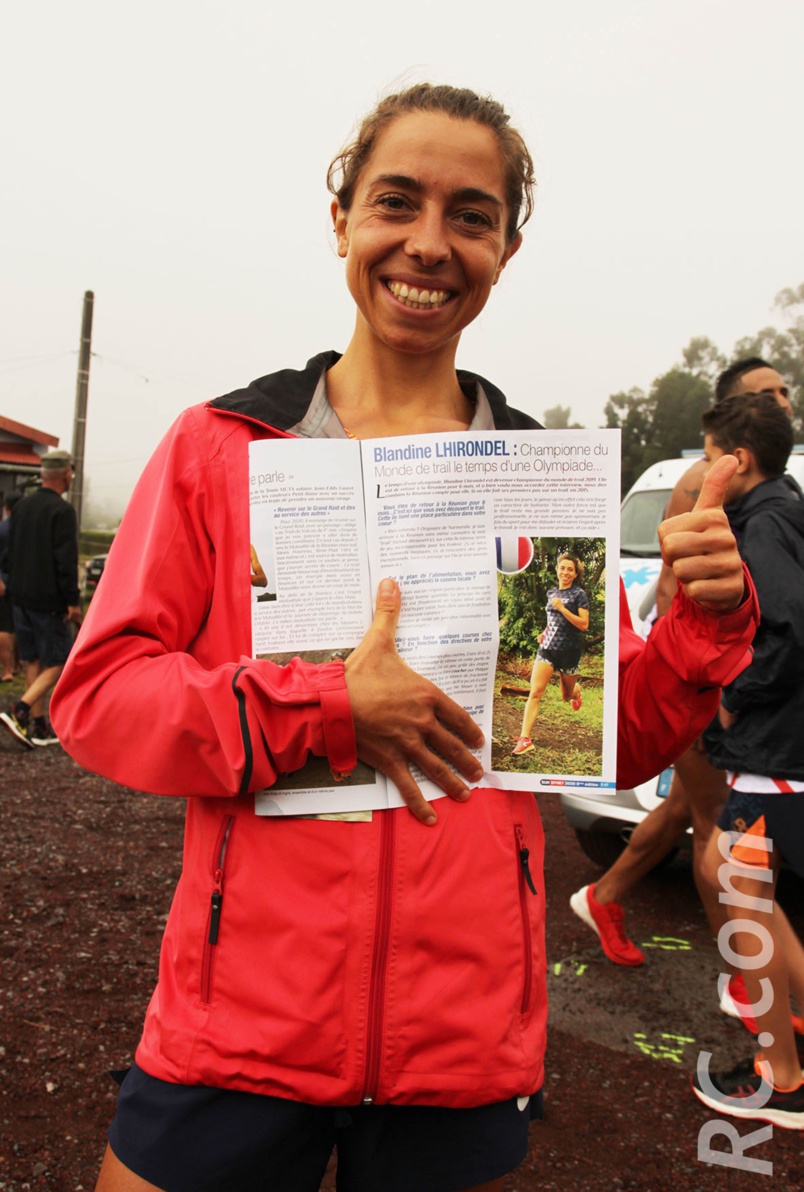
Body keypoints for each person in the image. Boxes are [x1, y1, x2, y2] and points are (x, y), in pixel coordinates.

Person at [50, 84, 757, 1192]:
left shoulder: (534, 476)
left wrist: (700, 626)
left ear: (507, 247)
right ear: (342, 219)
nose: (429, 244)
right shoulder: (224, 448)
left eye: (471, 215)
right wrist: (325, 705)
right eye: (397, 202)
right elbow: (99, 697)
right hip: (236, 1030)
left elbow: (593, 740)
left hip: (460, 1041)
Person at [570, 358, 793, 968]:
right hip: (704, 682)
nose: (783, 399)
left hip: (717, 672)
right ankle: (745, 979)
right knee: (714, 821)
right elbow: (673, 591)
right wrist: (710, 680)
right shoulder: (700, 481)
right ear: (738, 406)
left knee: (680, 814)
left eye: (785, 390)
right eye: (768, 392)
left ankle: (603, 893)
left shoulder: (777, 488)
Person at [690, 392, 804, 1128]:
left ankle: (781, 1077)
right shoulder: (786, 511)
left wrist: (731, 699)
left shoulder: (765, 524)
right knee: (726, 872)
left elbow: (788, 635)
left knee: (737, 887)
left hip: (778, 746)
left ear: (738, 460)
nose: (704, 470)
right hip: (782, 748)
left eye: (707, 456)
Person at [0, 451, 81, 748]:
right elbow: (65, 560)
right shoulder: (62, 511)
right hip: (49, 600)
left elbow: (8, 555)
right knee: (59, 662)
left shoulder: (20, 508)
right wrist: (72, 601)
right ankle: (20, 709)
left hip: (19, 597)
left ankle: (37, 726)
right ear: (65, 474)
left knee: (32, 658)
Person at [512, 552, 588, 757]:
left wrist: (563, 609)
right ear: (557, 569)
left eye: (570, 569)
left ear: (575, 573)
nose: (565, 572)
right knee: (535, 691)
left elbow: (583, 624)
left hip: (569, 652)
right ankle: (525, 739)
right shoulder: (551, 593)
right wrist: (545, 632)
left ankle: (575, 692)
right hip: (547, 649)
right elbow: (552, 621)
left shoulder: (579, 594)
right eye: (562, 568)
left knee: (566, 696)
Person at [0, 492, 22, 681]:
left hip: (4, 582)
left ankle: (6, 669)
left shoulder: (3, 528)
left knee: (5, 627)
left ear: (7, 508)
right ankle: (16, 665)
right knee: (17, 626)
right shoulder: (27, 529)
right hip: (22, 584)